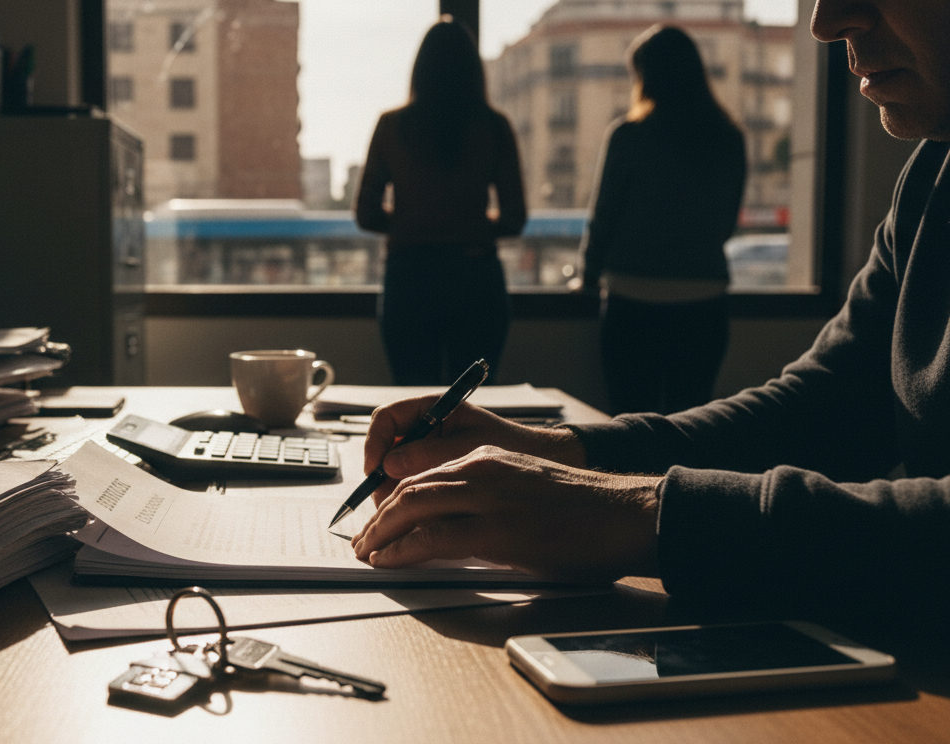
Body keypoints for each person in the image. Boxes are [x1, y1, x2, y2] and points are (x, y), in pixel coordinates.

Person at [351, 0, 950, 625]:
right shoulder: (930, 172)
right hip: (684, 298)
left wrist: (635, 513)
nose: (825, 22)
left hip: (579, 293)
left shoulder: (622, 134)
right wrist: (560, 451)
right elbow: (826, 411)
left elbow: (602, 218)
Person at [579, 25, 746, 415]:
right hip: (703, 299)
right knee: (689, 424)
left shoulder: (628, 135)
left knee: (631, 424)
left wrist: (588, 278)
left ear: (644, 76)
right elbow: (726, 224)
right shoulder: (727, 137)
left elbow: (603, 217)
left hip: (632, 298)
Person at [355, 17, 526, 386]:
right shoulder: (494, 126)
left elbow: (366, 213)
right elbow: (514, 218)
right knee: (474, 408)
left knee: (415, 402)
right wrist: (469, 225)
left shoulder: (392, 126)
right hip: (476, 278)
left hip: (410, 278)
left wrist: (411, 221)